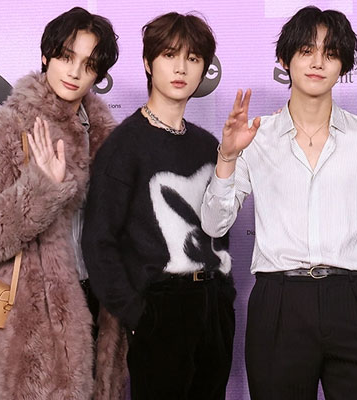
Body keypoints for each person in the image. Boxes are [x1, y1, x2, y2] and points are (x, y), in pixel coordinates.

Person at [201, 6, 357, 400]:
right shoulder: (257, 137)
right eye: (306, 50)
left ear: (343, 65)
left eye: (330, 52)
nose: (318, 62)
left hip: (355, 298)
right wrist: (228, 157)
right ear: (284, 59)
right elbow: (214, 224)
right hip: (279, 300)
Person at [0, 7, 126, 399]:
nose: (75, 72)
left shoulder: (109, 139)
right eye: (67, 57)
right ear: (46, 55)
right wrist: (41, 188)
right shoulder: (6, 127)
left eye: (89, 64)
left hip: (101, 313)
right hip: (34, 325)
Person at [82, 12, 235, 400]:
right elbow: (99, 241)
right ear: (149, 63)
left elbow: (219, 230)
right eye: (169, 55)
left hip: (213, 305)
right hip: (160, 309)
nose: (181, 68)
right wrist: (138, 315)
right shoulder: (124, 145)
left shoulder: (208, 145)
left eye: (193, 58)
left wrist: (223, 298)